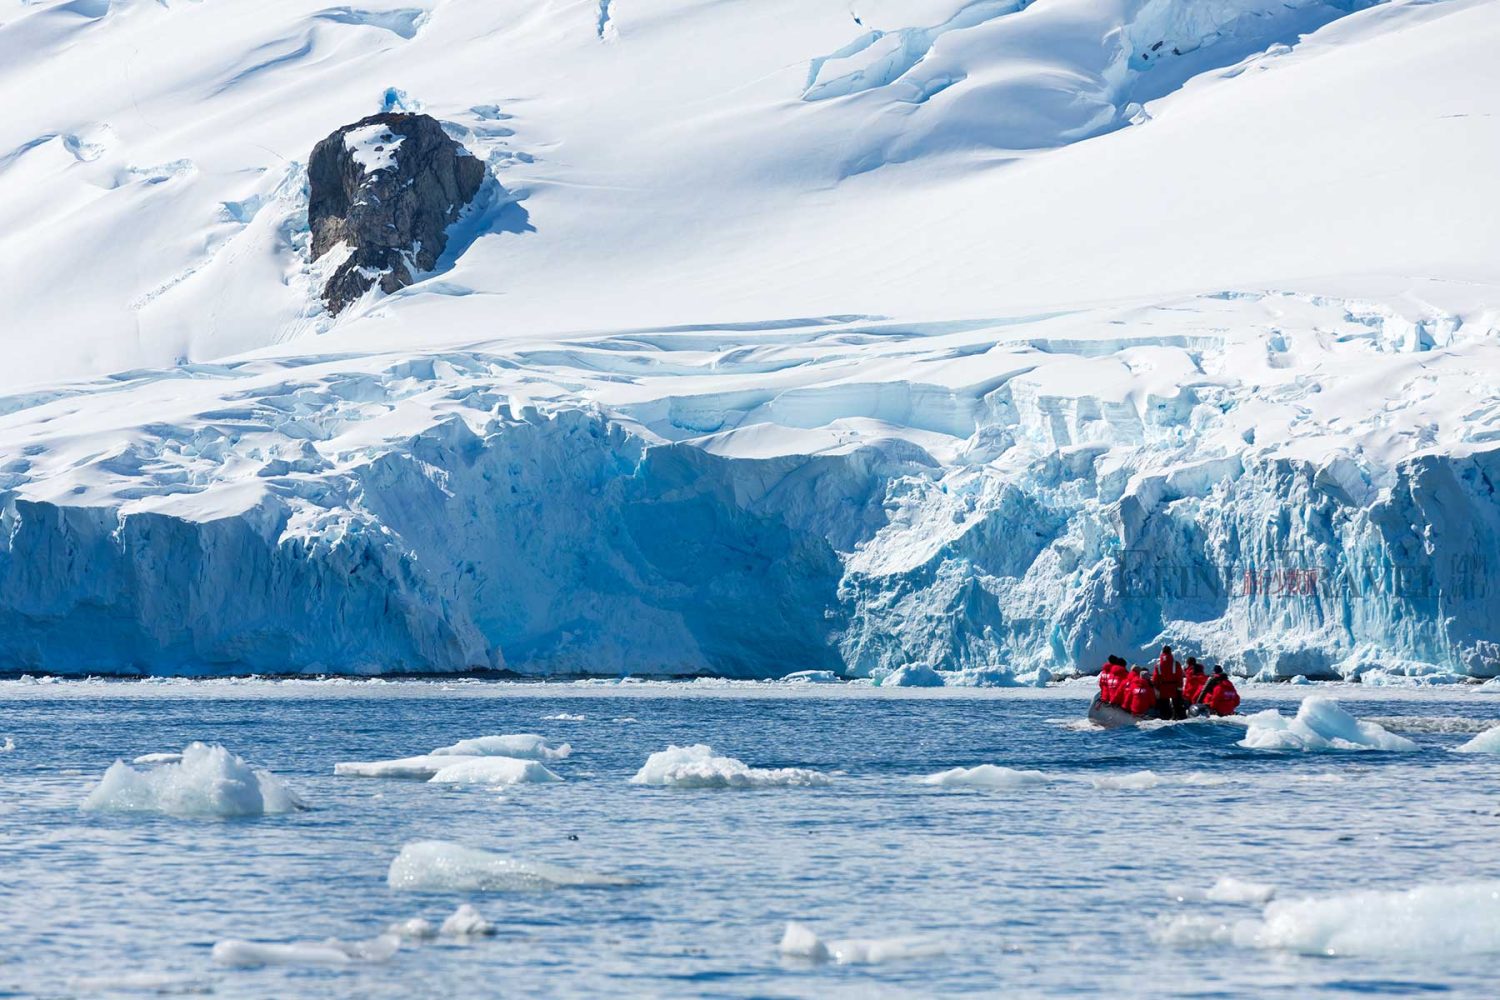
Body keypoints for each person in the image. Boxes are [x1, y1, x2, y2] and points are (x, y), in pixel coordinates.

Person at [1151, 649, 1186, 720]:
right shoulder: (1176, 664)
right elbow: (1180, 677)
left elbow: (1155, 679)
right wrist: (1179, 689)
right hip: (1174, 689)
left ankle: (1165, 720)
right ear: (1170, 653)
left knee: (1164, 710)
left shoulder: (1158, 665)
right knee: (1177, 708)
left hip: (1163, 690)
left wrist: (1157, 689)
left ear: (1162, 653)